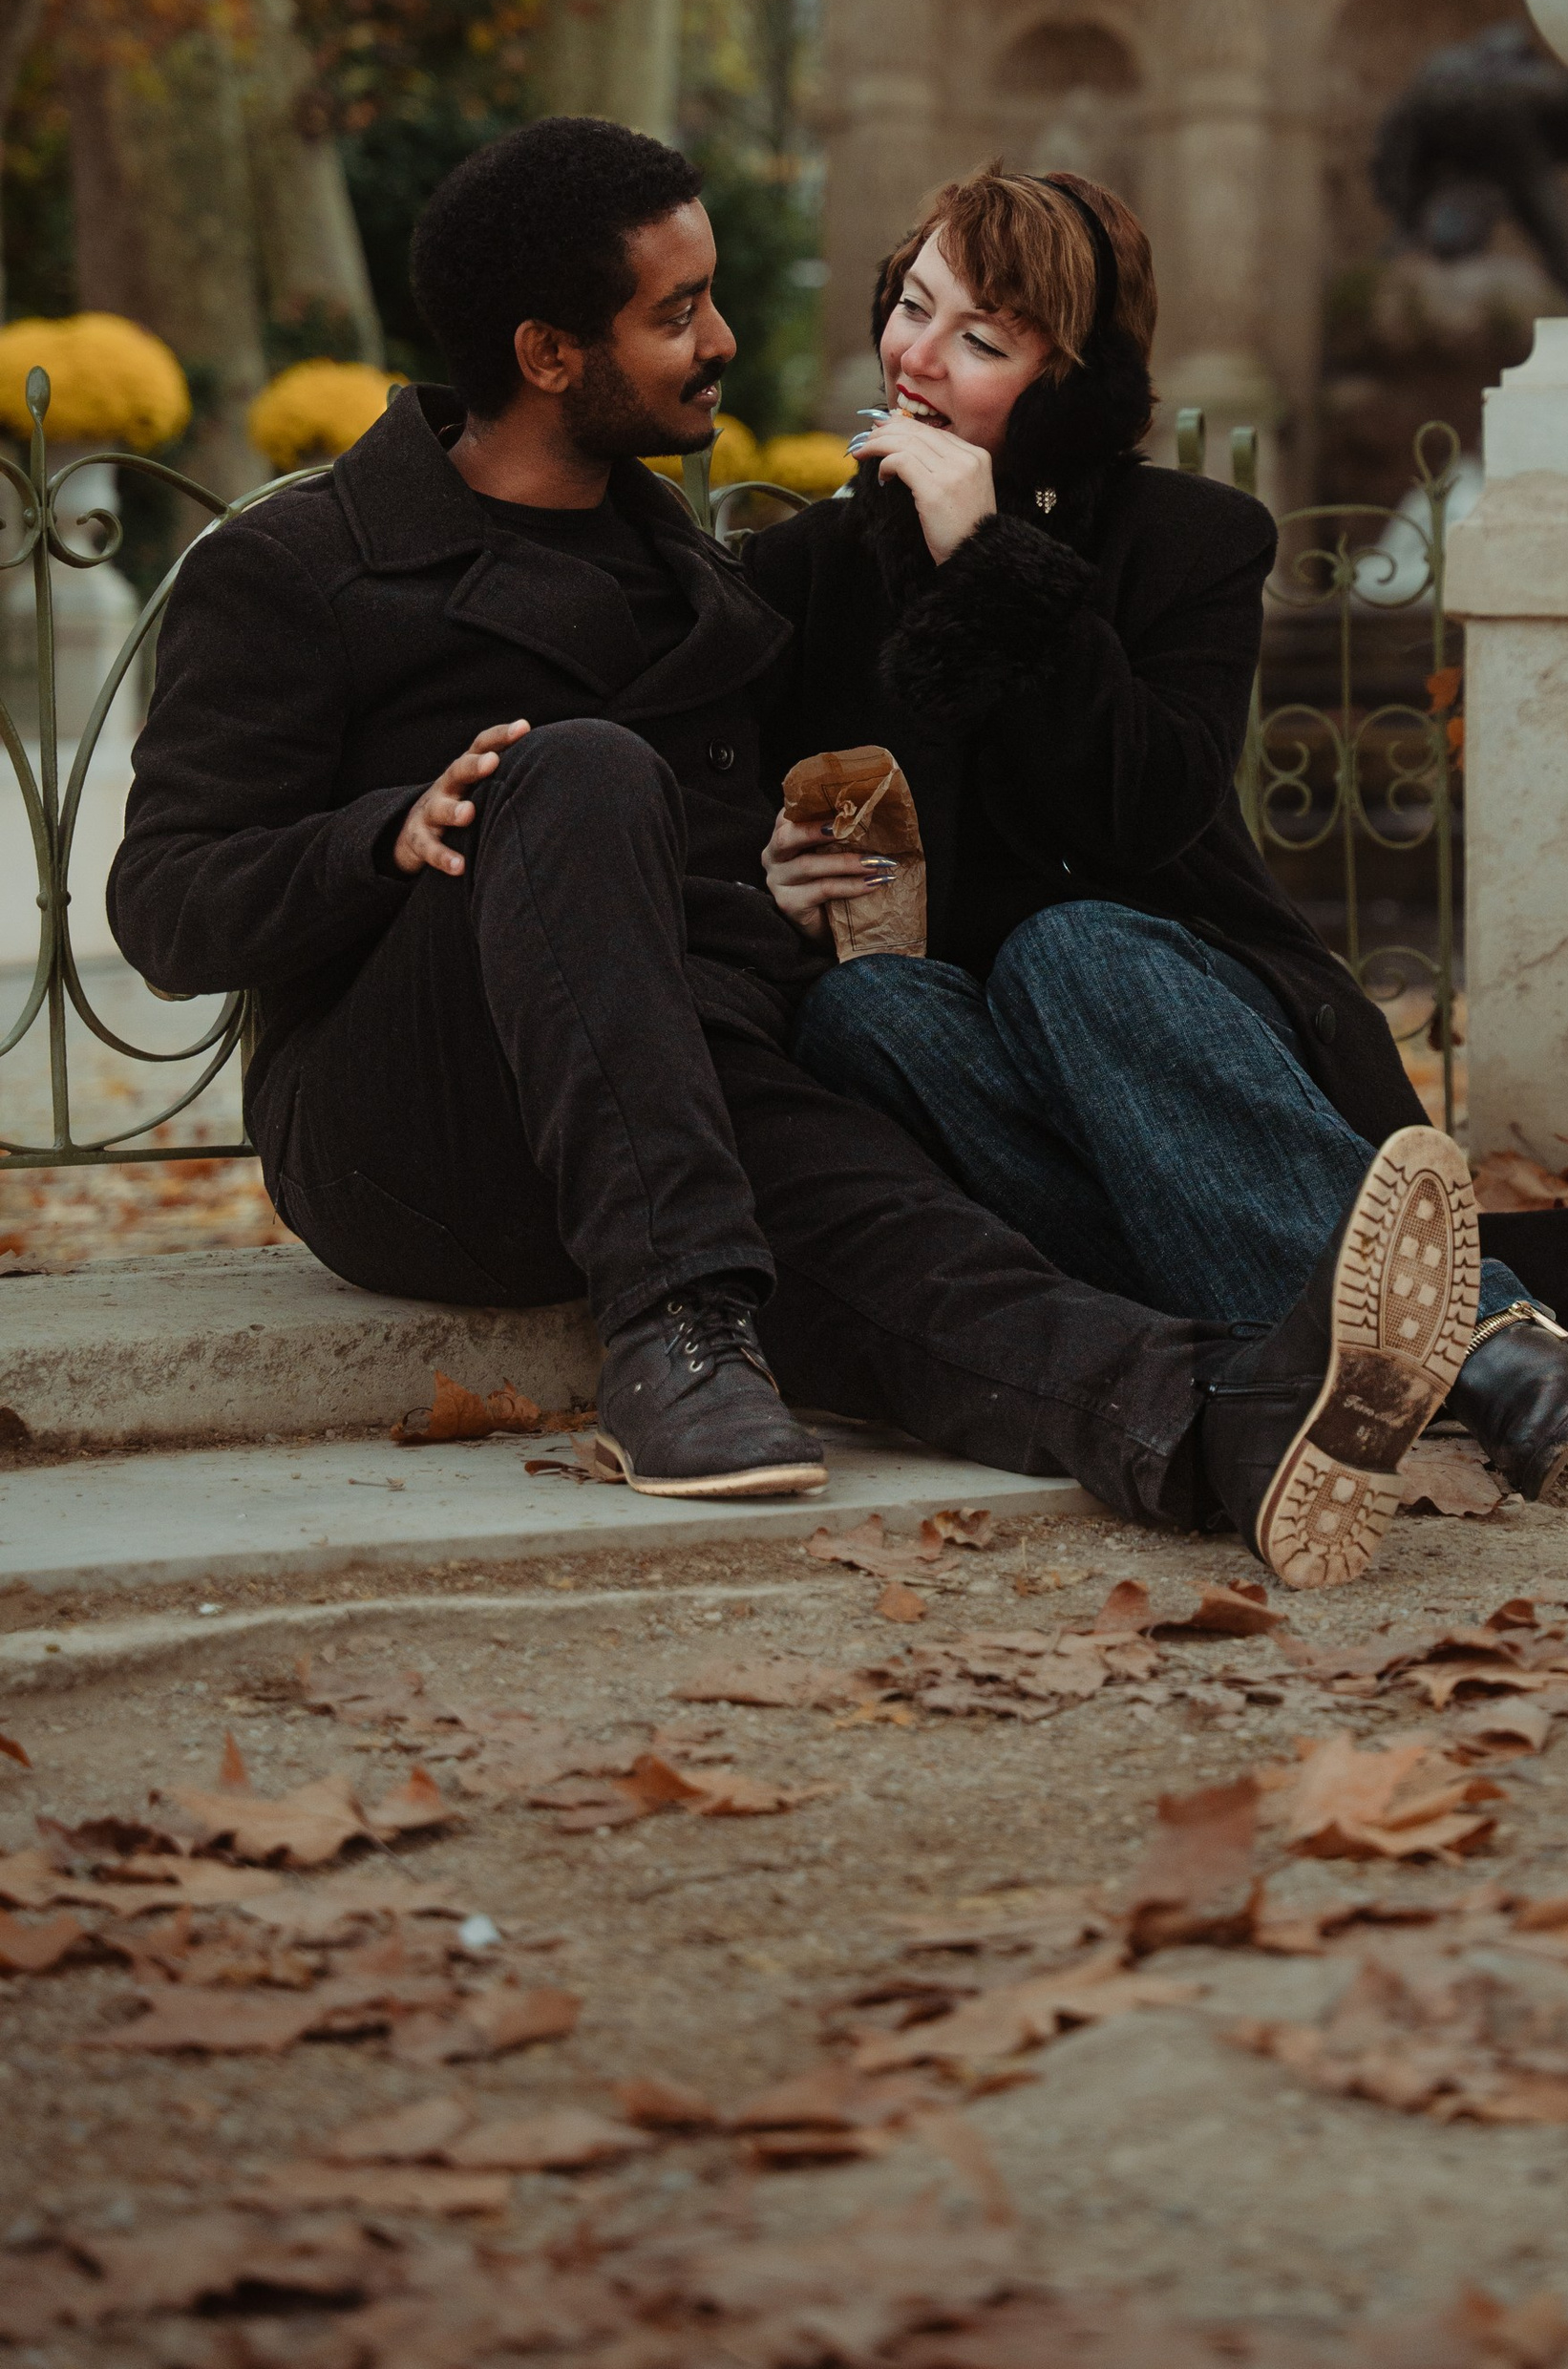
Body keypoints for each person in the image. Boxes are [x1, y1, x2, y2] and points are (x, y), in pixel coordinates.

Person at [105, 119, 1485, 1592]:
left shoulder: (702, 586)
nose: (725, 339)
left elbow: (725, 879)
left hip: (681, 1084)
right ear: (550, 352)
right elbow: (168, 907)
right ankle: (678, 1334)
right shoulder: (304, 565)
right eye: (676, 313)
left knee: (907, 1235)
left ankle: (1226, 1420)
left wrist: (756, 896)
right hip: (417, 1133)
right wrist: (382, 836)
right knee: (570, 770)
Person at [750, 164, 1568, 1503]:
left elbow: (1144, 810)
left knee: (1068, 946)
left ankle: (1484, 1341)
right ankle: (1321, 1349)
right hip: (992, 1086)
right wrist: (774, 870)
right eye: (911, 308)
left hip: (1190, 1013)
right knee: (864, 1017)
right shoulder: (810, 576)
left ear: (1071, 387)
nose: (916, 359)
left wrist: (993, 561)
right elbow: (752, 810)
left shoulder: (1192, 540)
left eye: (982, 341)